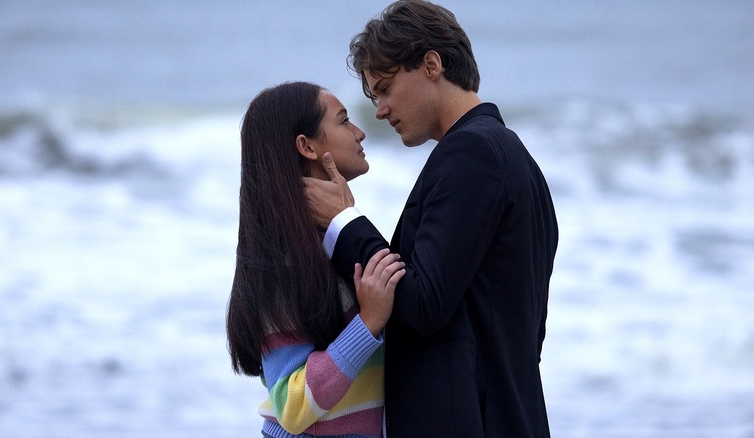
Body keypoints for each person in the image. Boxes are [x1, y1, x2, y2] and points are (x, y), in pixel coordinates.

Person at [303, 1, 559, 436]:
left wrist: (344, 222)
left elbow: (423, 305)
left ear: (431, 64)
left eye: (384, 88)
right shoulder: (516, 160)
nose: (380, 110)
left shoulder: (471, 154)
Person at [226, 81, 406, 438]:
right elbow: (291, 407)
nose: (360, 132)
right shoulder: (285, 264)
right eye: (344, 121)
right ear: (307, 146)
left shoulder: (332, 243)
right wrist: (367, 323)